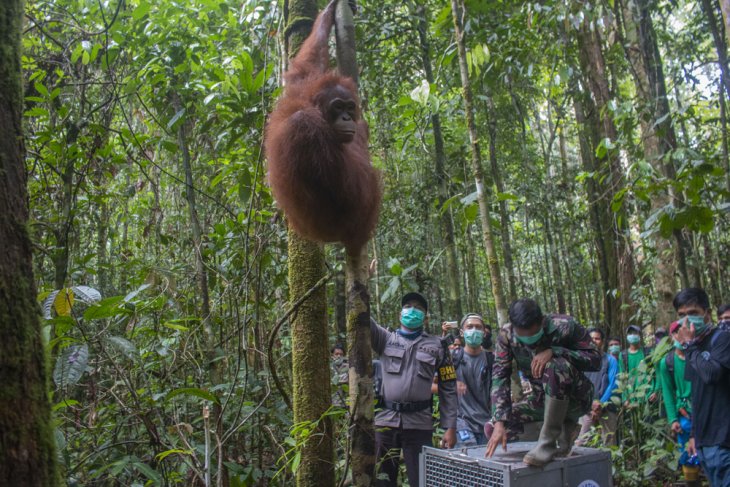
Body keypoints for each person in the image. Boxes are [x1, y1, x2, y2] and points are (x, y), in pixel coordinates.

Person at [485, 298, 600, 466]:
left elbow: (596, 360)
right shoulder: (506, 335)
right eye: (523, 336)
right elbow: (500, 376)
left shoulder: (565, 325)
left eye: (533, 333)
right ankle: (563, 430)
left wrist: (555, 351)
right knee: (494, 427)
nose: (529, 340)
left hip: (577, 397)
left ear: (542, 321)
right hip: (542, 401)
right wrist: (500, 421)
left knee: (555, 365)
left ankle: (547, 444)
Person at [371, 292, 457, 487]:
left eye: (418, 308)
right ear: (400, 314)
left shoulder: (438, 346)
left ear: (425, 317)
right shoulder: (384, 338)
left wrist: (449, 427)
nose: (413, 310)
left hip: (420, 424)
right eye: (408, 306)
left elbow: (449, 388)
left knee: (422, 480)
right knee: (382, 481)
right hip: (385, 422)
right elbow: (362, 318)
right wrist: (363, 284)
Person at [675, 288, 730, 487]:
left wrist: (689, 346)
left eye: (693, 313)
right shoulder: (694, 347)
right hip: (704, 442)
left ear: (706, 313)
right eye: (681, 315)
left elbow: (711, 375)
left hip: (724, 440)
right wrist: (693, 436)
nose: (687, 320)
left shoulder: (722, 339)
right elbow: (697, 396)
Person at [657, 321, 694, 478]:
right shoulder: (667, 363)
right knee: (687, 457)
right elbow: (667, 392)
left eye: (683, 331)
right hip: (684, 414)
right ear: (671, 337)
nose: (680, 335)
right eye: (676, 332)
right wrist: (672, 419)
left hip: (705, 411)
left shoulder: (698, 355)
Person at [451, 313, 494, 447]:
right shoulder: (452, 358)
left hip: (487, 423)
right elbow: (432, 385)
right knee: (469, 461)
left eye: (478, 327)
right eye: (470, 327)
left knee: (488, 463)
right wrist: (452, 385)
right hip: (462, 422)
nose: (474, 330)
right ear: (462, 332)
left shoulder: (492, 359)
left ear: (484, 332)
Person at [576, 327, 618, 446]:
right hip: (588, 408)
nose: (594, 341)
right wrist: (590, 405)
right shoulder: (583, 360)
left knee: (609, 443)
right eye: (591, 338)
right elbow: (579, 383)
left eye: (597, 338)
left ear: (602, 341)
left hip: (607, 407)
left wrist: (600, 403)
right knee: (582, 441)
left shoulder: (610, 360)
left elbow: (613, 384)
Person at [619, 324, 657, 405]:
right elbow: (622, 377)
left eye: (635, 333)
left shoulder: (648, 352)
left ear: (640, 336)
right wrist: (625, 398)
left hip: (648, 395)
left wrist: (655, 391)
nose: (633, 335)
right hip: (630, 398)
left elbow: (655, 373)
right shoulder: (623, 355)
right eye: (630, 333)